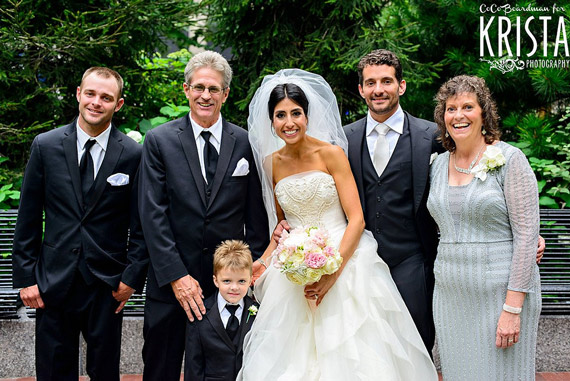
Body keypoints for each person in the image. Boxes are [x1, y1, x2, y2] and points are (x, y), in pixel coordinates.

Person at [240, 69, 437, 380]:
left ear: (307, 115)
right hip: (294, 273)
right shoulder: (271, 164)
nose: (289, 122)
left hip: (346, 260)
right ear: (271, 122)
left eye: (296, 113)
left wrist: (332, 272)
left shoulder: (330, 153)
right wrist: (262, 262)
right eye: (280, 115)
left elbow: (356, 218)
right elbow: (283, 227)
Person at [138, 50, 269, 381]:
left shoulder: (245, 143)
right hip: (170, 286)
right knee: (160, 369)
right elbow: (152, 213)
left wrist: (244, 276)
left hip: (225, 286)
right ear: (186, 90)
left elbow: (256, 216)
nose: (205, 96)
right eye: (198, 87)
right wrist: (177, 277)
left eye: (213, 89)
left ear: (225, 93)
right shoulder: (159, 141)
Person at [12, 67, 148, 380]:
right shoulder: (46, 146)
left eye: (106, 97)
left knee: (104, 372)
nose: (96, 102)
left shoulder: (132, 154)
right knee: (53, 370)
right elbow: (28, 216)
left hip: (106, 285)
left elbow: (141, 223)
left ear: (119, 104)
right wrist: (26, 278)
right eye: (91, 93)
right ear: (78, 94)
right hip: (53, 281)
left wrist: (131, 277)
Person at [427, 75, 541, 380]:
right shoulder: (437, 165)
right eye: (451, 109)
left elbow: (527, 237)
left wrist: (512, 309)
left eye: (468, 106)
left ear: (483, 113)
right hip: (451, 294)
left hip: (500, 295)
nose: (459, 115)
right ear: (443, 117)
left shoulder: (510, 159)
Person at [184, 240, 258, 381]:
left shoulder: (257, 312)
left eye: (241, 281)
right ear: (216, 280)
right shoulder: (200, 313)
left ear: (250, 280)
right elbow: (193, 364)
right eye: (227, 281)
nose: (234, 287)